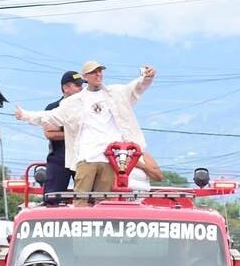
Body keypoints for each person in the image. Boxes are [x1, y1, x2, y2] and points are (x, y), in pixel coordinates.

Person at [14, 60, 156, 197]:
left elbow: (136, 87)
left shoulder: (115, 93)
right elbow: (50, 116)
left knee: (101, 201)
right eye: (94, 72)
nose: (98, 74)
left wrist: (147, 78)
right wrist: (25, 115)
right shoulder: (74, 102)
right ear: (86, 76)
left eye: (100, 71)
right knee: (81, 198)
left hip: (109, 158)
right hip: (86, 157)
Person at [43, 71, 85, 198]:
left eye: (82, 85)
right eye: (77, 85)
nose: (81, 89)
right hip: (60, 159)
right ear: (65, 88)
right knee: (52, 198)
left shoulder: (86, 108)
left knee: (89, 199)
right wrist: (76, 133)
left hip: (82, 159)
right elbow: (50, 134)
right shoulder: (53, 108)